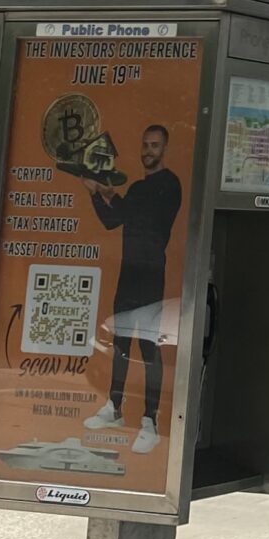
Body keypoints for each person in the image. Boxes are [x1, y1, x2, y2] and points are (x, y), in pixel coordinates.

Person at [80, 125, 184, 455]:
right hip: (129, 275)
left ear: (164, 150)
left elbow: (132, 212)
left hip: (152, 277)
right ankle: (114, 407)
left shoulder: (168, 184)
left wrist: (104, 192)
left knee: (149, 350)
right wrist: (96, 192)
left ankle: (149, 421)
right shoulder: (139, 187)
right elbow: (115, 220)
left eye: (155, 145)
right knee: (121, 346)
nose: (149, 150)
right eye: (145, 144)